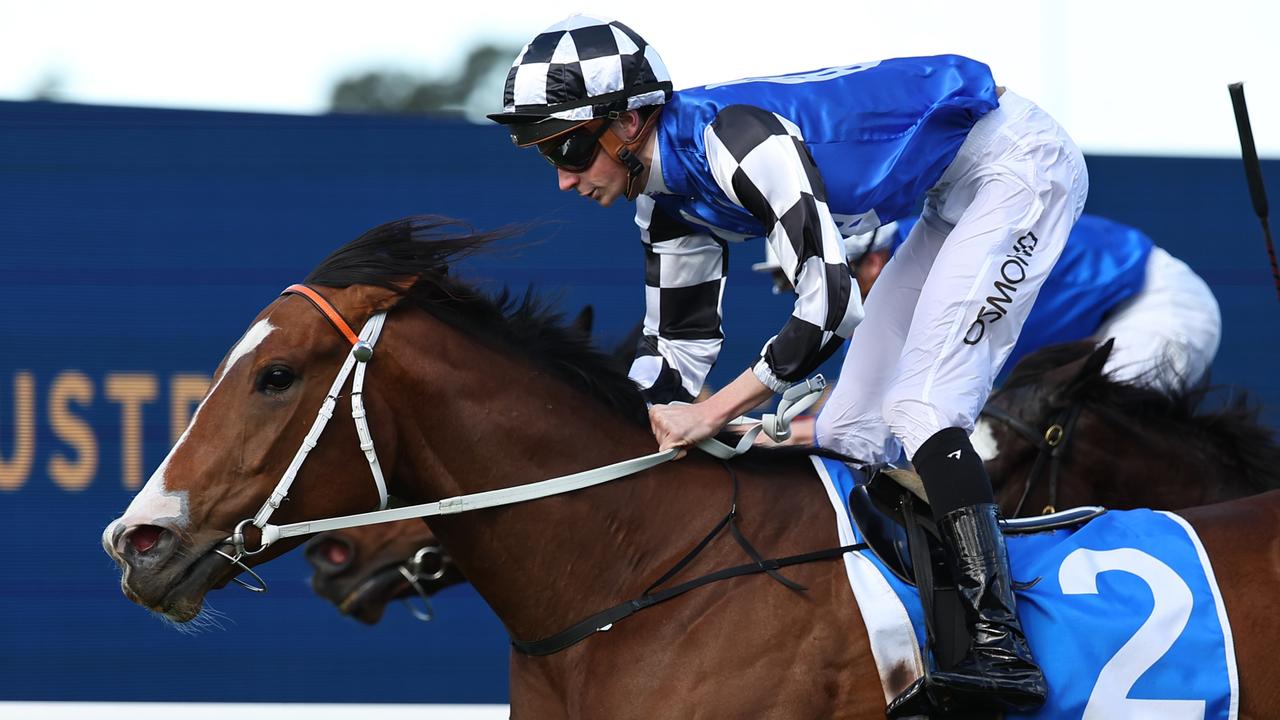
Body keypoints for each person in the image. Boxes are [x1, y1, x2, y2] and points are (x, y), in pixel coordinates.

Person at [489, 15, 1088, 715]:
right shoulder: (663, 202)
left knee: (923, 408)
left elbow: (833, 304)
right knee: (850, 429)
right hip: (946, 193)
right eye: (544, 155)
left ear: (629, 122)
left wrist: (714, 412)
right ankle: (923, 638)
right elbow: (673, 354)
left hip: (1016, 164)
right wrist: (613, 442)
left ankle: (1000, 645)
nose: (563, 179)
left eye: (568, 147)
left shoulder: (736, 139)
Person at [758, 214, 1222, 394]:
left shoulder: (931, 269)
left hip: (1153, 300)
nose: (817, 298)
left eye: (827, 279)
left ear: (875, 261)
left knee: (1092, 425)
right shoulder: (910, 266)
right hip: (1103, 316)